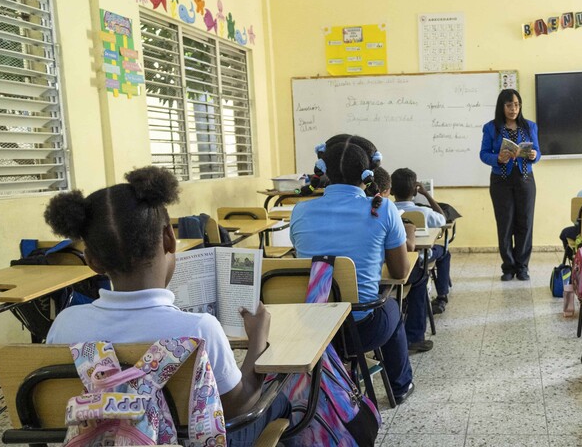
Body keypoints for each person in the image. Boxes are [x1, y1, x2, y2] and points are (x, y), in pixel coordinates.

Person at [43, 166, 290, 447]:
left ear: (92, 262)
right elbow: (238, 408)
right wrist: (258, 336)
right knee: (279, 400)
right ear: (169, 240)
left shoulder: (65, 323)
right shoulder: (197, 329)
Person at [289, 135, 417, 404]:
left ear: (323, 171)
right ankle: (399, 385)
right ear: (369, 172)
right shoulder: (383, 209)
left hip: (311, 328)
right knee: (392, 305)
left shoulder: (300, 211)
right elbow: (400, 272)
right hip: (362, 329)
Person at [479, 88, 541, 281]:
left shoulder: (529, 126)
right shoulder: (491, 127)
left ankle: (522, 266)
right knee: (505, 224)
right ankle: (508, 267)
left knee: (525, 222)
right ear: (501, 107)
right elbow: (483, 154)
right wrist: (497, 158)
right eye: (508, 105)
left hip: (525, 179)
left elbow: (538, 152)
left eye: (516, 104)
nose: (513, 109)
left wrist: (533, 155)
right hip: (501, 180)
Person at [391, 167, 452, 326]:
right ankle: (441, 296)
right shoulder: (423, 211)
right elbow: (443, 219)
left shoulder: (387, 211)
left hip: (390, 262)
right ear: (415, 190)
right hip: (419, 258)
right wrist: (426, 194)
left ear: (391, 190)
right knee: (444, 252)